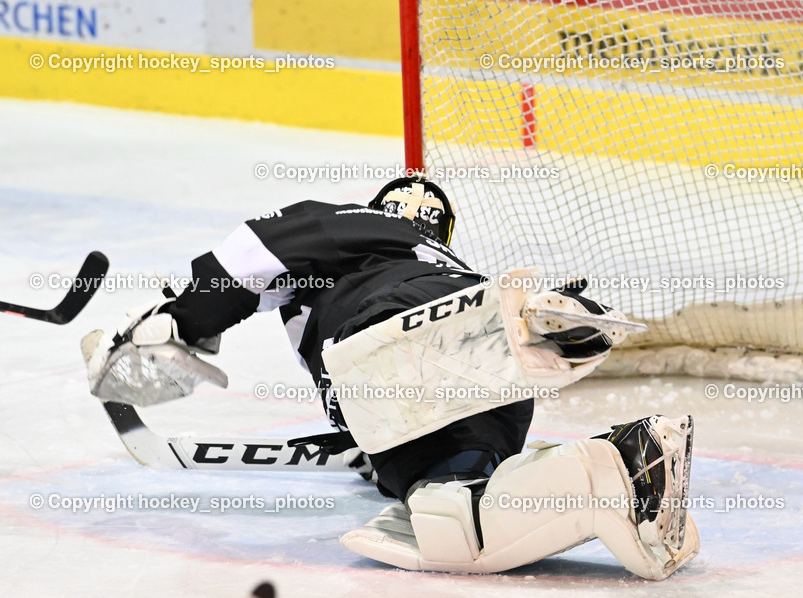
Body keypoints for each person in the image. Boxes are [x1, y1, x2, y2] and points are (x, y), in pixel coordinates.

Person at [82, 175, 699, 580]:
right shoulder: (450, 259)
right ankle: (619, 465)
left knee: (442, 519)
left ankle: (586, 477)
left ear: (381, 211)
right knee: (455, 509)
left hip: (384, 338)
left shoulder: (350, 226)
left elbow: (254, 251)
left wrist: (175, 321)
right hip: (489, 369)